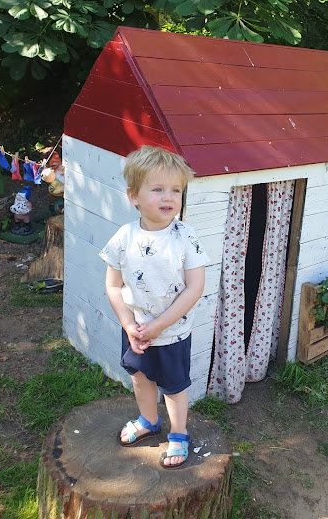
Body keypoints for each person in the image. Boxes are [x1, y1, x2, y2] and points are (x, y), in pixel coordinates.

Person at [99, 146, 208, 469]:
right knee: (140, 378)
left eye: (175, 189)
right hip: (136, 331)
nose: (168, 196)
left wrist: (160, 325)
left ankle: (178, 433)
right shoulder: (123, 237)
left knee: (173, 387)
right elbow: (113, 285)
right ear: (134, 196)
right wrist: (129, 324)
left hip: (172, 332)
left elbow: (195, 287)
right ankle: (148, 420)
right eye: (158, 189)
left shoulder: (186, 237)